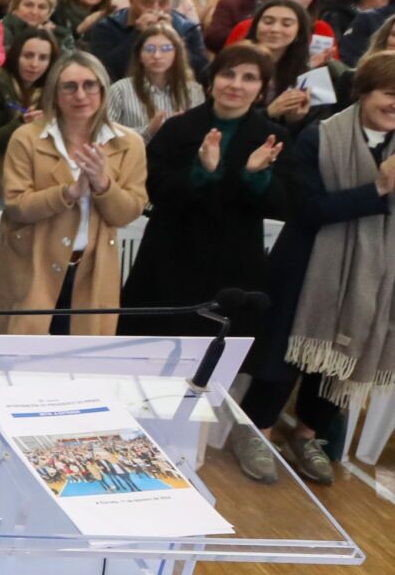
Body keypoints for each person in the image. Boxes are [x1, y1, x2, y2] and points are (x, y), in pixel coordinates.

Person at [231, 52, 395, 487]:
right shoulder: (319, 137)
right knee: (282, 354)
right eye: (389, 94)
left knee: (342, 352)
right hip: (307, 264)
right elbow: (306, 209)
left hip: (373, 273)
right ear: (362, 94)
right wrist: (379, 187)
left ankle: (308, 436)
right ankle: (256, 431)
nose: (394, 104)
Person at [121, 43, 288, 345]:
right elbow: (153, 187)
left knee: (221, 351)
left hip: (234, 261)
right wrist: (200, 172)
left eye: (249, 78)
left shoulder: (273, 137)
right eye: (228, 74)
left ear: (261, 91)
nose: (236, 84)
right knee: (150, 345)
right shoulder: (177, 128)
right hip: (170, 255)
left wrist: (255, 175)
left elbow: (285, 202)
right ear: (211, 82)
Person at [0, 51, 149, 336]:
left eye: (90, 85)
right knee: (22, 356)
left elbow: (128, 212)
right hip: (31, 266)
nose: (81, 95)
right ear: (54, 93)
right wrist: (69, 192)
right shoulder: (26, 138)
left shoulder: (129, 143)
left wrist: (103, 184)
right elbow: (16, 205)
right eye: (69, 87)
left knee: (82, 357)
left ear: (103, 90)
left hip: (92, 270)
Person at [85, 0, 211, 80]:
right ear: (132, 1)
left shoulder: (186, 28)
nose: (156, 9)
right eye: (147, 2)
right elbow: (105, 72)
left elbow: (202, 73)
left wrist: (173, 37)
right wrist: (137, 34)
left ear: (172, 2)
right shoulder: (107, 27)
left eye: (163, 3)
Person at [106, 24, 204, 136]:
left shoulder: (194, 91)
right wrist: (148, 131)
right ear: (139, 55)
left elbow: (199, 133)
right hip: (136, 148)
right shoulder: (120, 90)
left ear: (176, 54)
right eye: (150, 49)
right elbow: (106, 133)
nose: (157, 56)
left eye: (166, 49)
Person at [0, 26, 57, 160]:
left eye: (43, 58)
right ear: (16, 55)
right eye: (28, 56)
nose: (34, 64)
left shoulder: (53, 91)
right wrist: (20, 123)